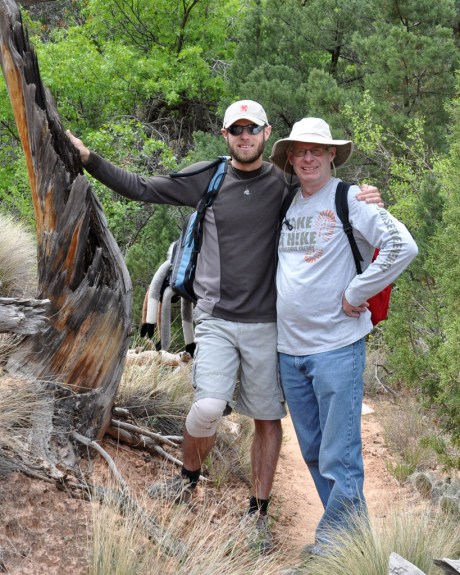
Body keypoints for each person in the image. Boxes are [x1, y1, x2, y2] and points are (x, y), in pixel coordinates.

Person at [67, 101, 381, 554]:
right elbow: (140, 188)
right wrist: (89, 159)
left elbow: (326, 190)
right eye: (237, 129)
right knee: (209, 406)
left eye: (253, 128)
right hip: (216, 318)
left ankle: (258, 512)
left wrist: (364, 195)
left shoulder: (287, 183)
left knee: (267, 419)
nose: (245, 135)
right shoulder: (208, 178)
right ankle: (186, 479)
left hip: (268, 324)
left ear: (267, 133)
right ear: (225, 133)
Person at [269, 117, 418, 556]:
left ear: (332, 154)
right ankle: (353, 545)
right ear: (291, 158)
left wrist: (357, 291)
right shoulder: (287, 204)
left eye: (317, 150)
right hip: (290, 351)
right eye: (300, 151)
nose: (308, 157)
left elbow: (401, 246)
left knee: (340, 454)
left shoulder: (350, 197)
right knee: (315, 452)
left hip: (337, 346)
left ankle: (337, 548)